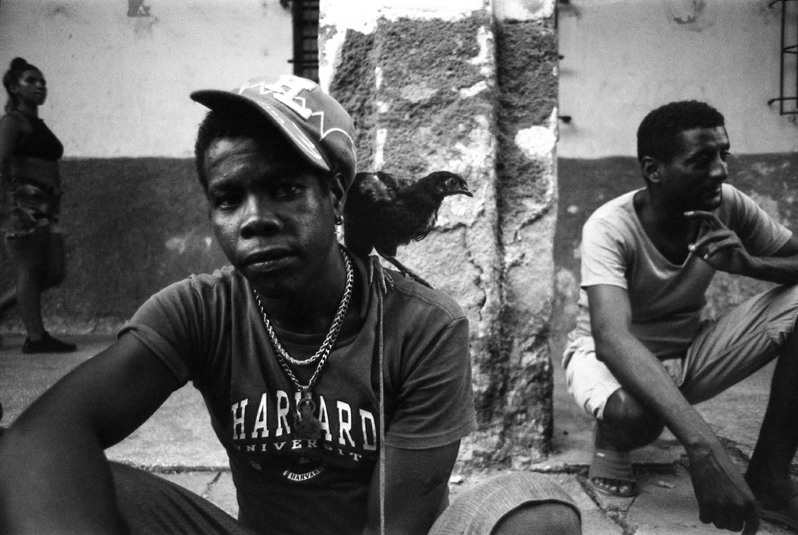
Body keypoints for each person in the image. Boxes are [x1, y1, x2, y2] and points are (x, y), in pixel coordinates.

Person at [0, 74, 581, 535]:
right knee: (50, 474)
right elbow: (45, 434)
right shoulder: (200, 309)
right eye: (228, 199)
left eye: (284, 189)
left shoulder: (424, 325)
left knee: (533, 509)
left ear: (336, 196)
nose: (255, 219)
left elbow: (393, 526)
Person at [563, 100, 798, 533]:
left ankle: (769, 477)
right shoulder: (609, 226)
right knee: (635, 416)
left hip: (688, 352)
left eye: (724, 154)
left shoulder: (729, 204)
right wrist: (704, 447)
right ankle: (612, 435)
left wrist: (751, 265)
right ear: (654, 170)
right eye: (701, 160)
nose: (721, 170)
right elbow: (612, 339)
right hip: (606, 359)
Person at [0, 57, 76, 353]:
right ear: (13, 87)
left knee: (54, 271)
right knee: (29, 270)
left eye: (42, 81)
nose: (40, 86)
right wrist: (7, 206)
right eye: (31, 80)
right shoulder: (12, 121)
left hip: (48, 208)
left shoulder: (36, 123)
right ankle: (36, 338)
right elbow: (1, 162)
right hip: (24, 205)